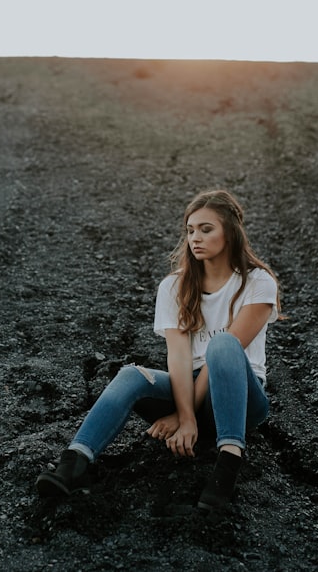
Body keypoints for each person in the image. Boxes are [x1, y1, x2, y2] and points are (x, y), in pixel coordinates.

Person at [36, 189, 281, 513]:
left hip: (241, 395)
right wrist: (187, 415)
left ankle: (226, 470)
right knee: (130, 375)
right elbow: (178, 357)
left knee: (222, 345)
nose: (195, 237)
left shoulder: (258, 282)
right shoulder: (174, 286)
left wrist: (183, 416)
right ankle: (74, 464)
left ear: (230, 232)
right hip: (191, 387)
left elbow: (224, 356)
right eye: (190, 230)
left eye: (206, 229)